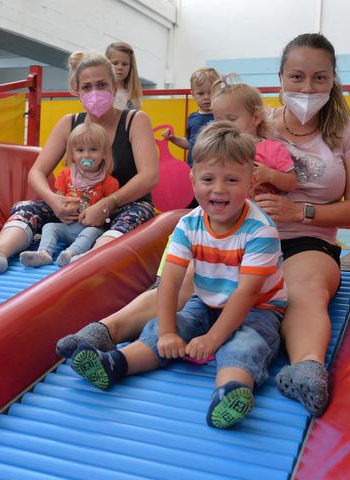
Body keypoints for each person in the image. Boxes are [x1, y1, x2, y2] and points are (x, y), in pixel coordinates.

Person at [57, 33, 350, 418]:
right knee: (188, 280)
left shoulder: (349, 133)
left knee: (303, 288)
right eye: (297, 77)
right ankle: (105, 331)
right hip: (235, 232)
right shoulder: (256, 120)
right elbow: (214, 161)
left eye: (319, 79)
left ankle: (307, 367)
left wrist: (301, 212)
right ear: (281, 78)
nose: (307, 88)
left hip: (305, 238)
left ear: (332, 80)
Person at [66, 122, 287, 429]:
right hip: (206, 300)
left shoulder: (260, 230)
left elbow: (246, 293)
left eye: (232, 180)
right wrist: (170, 331)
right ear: (193, 179)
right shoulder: (188, 224)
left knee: (245, 344)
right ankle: (117, 363)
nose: (219, 189)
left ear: (251, 182)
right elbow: (170, 281)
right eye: (208, 179)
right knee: (165, 327)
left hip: (258, 308)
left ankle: (230, 391)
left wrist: (213, 338)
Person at [0, 51, 158, 274]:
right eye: (87, 87)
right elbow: (37, 172)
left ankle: (91, 257)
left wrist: (108, 203)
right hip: (79, 207)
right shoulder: (70, 123)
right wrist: (54, 200)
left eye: (101, 85)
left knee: (136, 212)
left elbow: (149, 176)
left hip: (121, 205)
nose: (94, 92)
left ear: (114, 87)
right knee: (28, 207)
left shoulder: (134, 120)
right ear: (77, 91)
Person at [19, 123, 119, 267]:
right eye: (80, 150)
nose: (86, 155)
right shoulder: (66, 174)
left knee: (91, 232)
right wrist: (62, 211)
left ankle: (71, 254)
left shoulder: (109, 181)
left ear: (104, 153)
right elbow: (58, 200)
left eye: (93, 150)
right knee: (49, 227)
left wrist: (101, 213)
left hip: (90, 228)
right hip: (68, 226)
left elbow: (112, 210)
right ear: (72, 154)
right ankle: (44, 254)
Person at [210, 74, 296, 195]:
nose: (224, 126)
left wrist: (270, 175)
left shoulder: (273, 149)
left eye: (231, 119)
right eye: (218, 121)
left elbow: (291, 183)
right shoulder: (217, 149)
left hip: (261, 211)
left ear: (256, 118)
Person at [163, 67, 220, 166]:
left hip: (215, 167)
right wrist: (173, 139)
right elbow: (189, 144)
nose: (206, 97)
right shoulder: (192, 118)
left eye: (211, 92)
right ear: (193, 94)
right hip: (193, 168)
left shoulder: (221, 116)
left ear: (218, 92)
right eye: (201, 93)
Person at [106, 42, 142, 110]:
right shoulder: (101, 91)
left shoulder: (133, 95)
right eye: (115, 63)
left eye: (125, 64)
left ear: (131, 67)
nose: (120, 67)